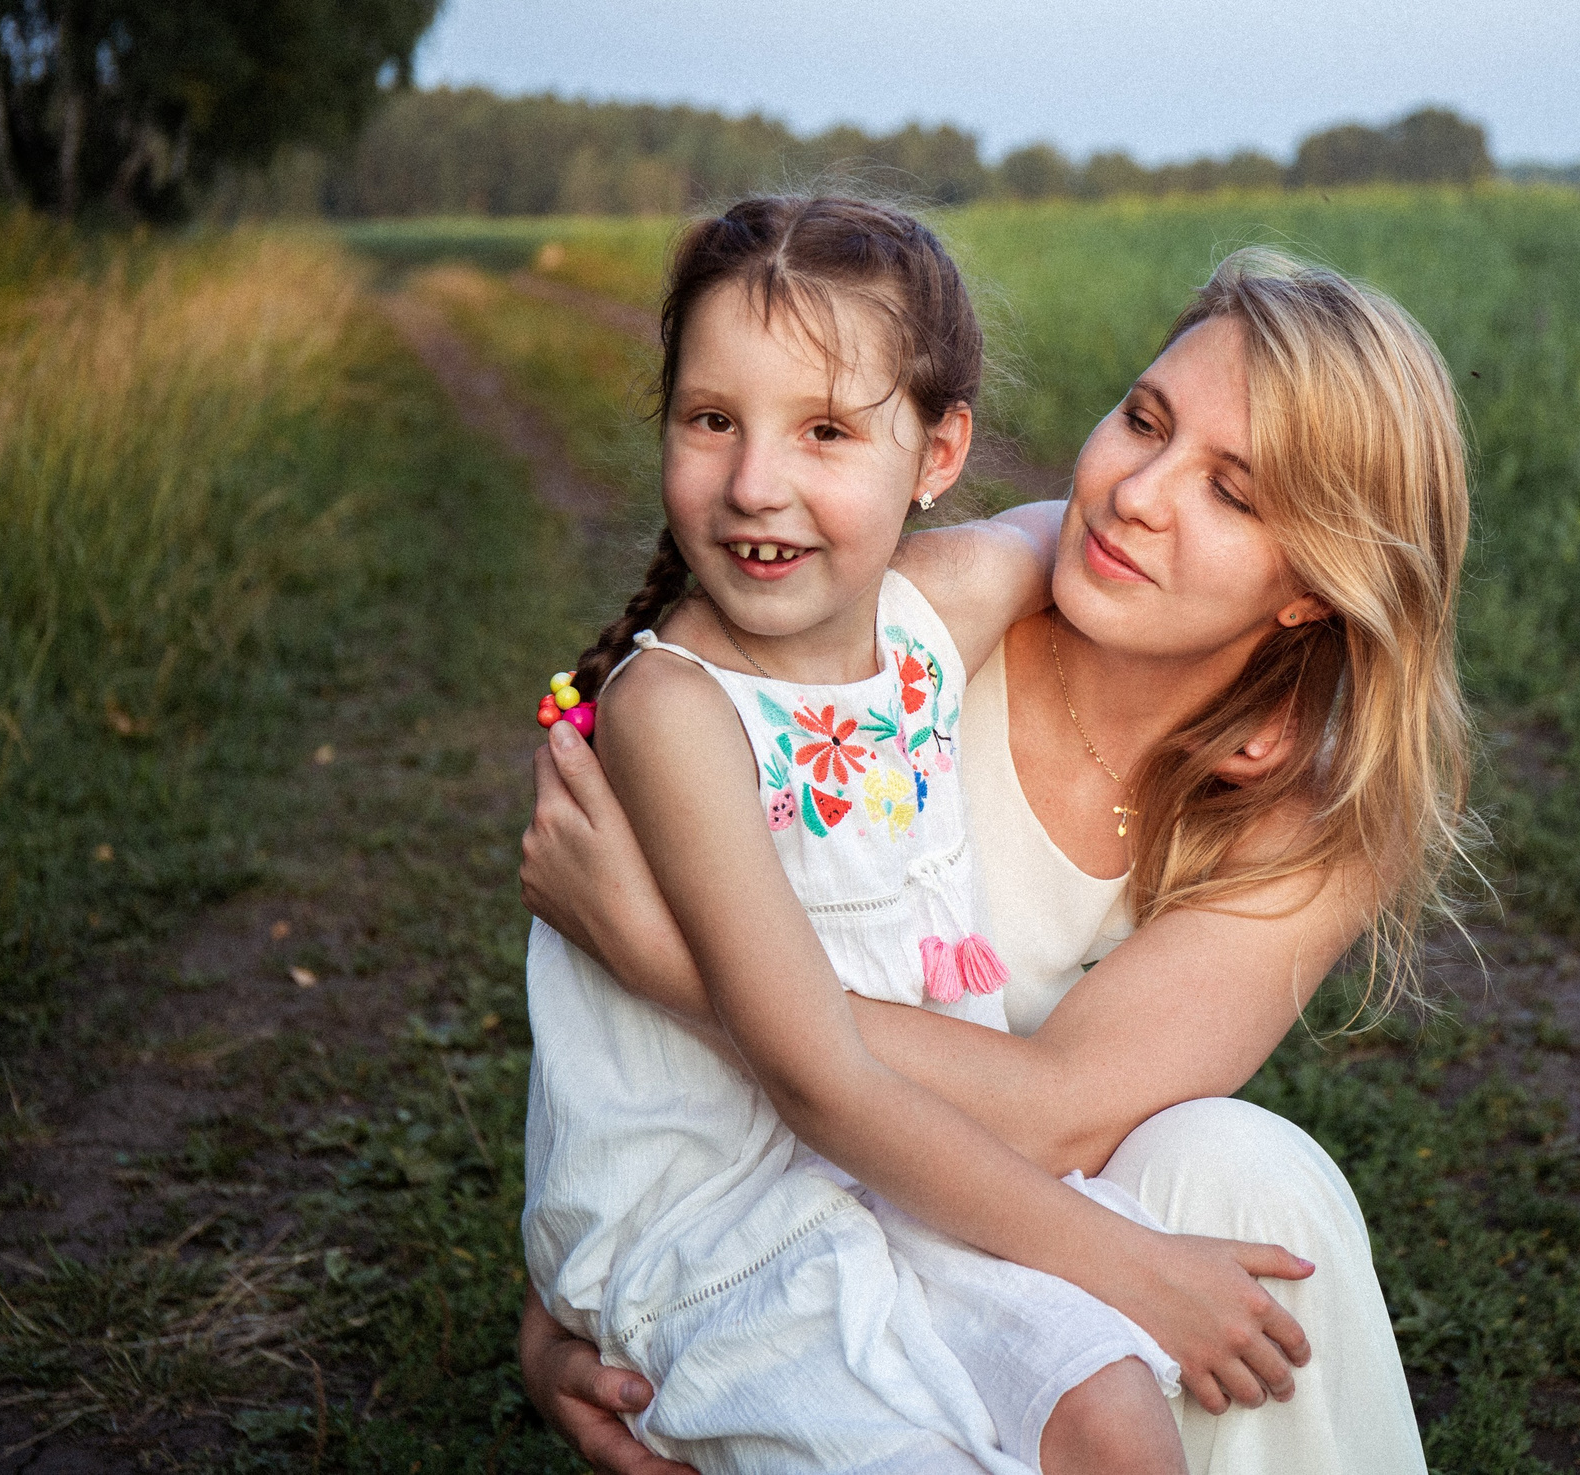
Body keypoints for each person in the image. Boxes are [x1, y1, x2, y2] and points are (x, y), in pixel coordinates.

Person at [520, 241, 1474, 1475]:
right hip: (782, 1223)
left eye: (1234, 494)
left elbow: (1052, 1114)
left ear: (1315, 589)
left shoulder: (1321, 815)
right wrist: (553, 1325)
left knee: (1249, 1176)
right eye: (1143, 420)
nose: (1135, 492)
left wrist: (666, 959)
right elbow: (629, 1081)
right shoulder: (909, 638)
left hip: (967, 1221)